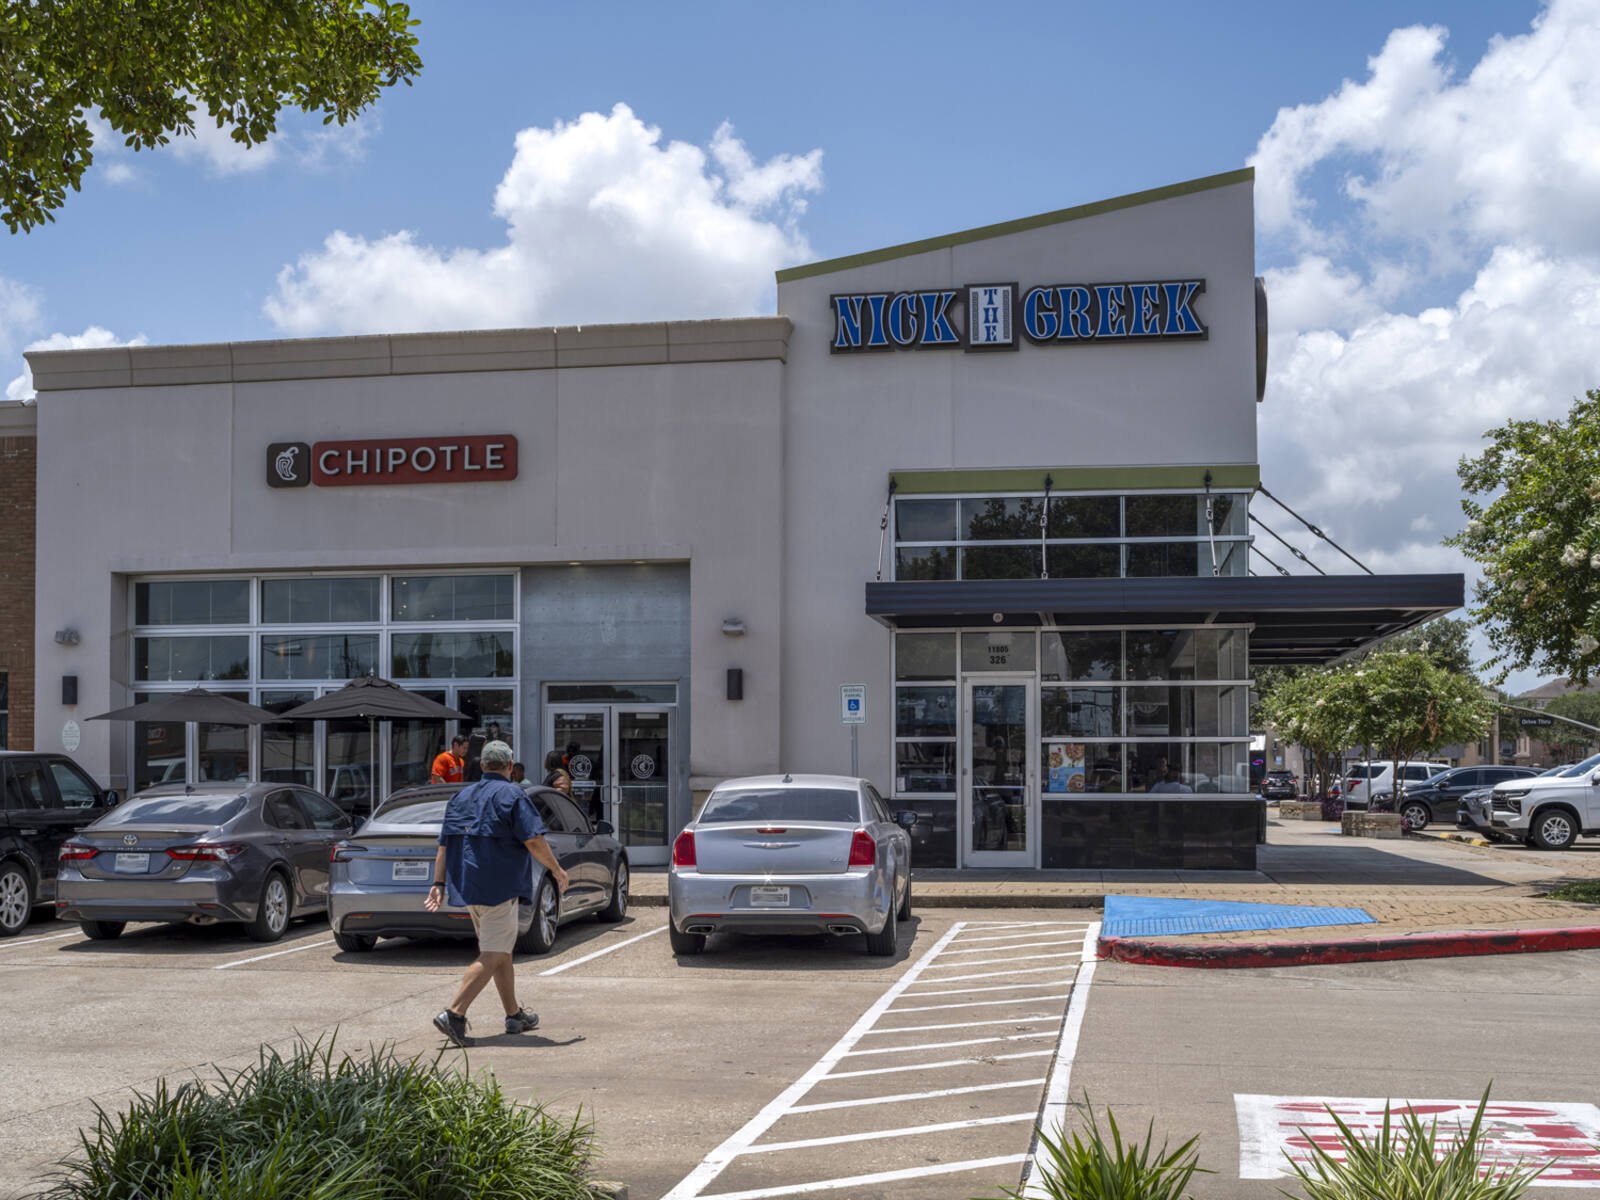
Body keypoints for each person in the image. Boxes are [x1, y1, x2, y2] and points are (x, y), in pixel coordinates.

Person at [426, 740, 569, 1048]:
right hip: (499, 886)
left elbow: (443, 844)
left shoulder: (460, 796)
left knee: (501, 951)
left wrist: (438, 884)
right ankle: (454, 1013)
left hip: (468, 886)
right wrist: (557, 871)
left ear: (482, 766)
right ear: (509, 766)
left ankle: (514, 1014)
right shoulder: (513, 795)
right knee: (492, 953)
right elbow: (534, 840)